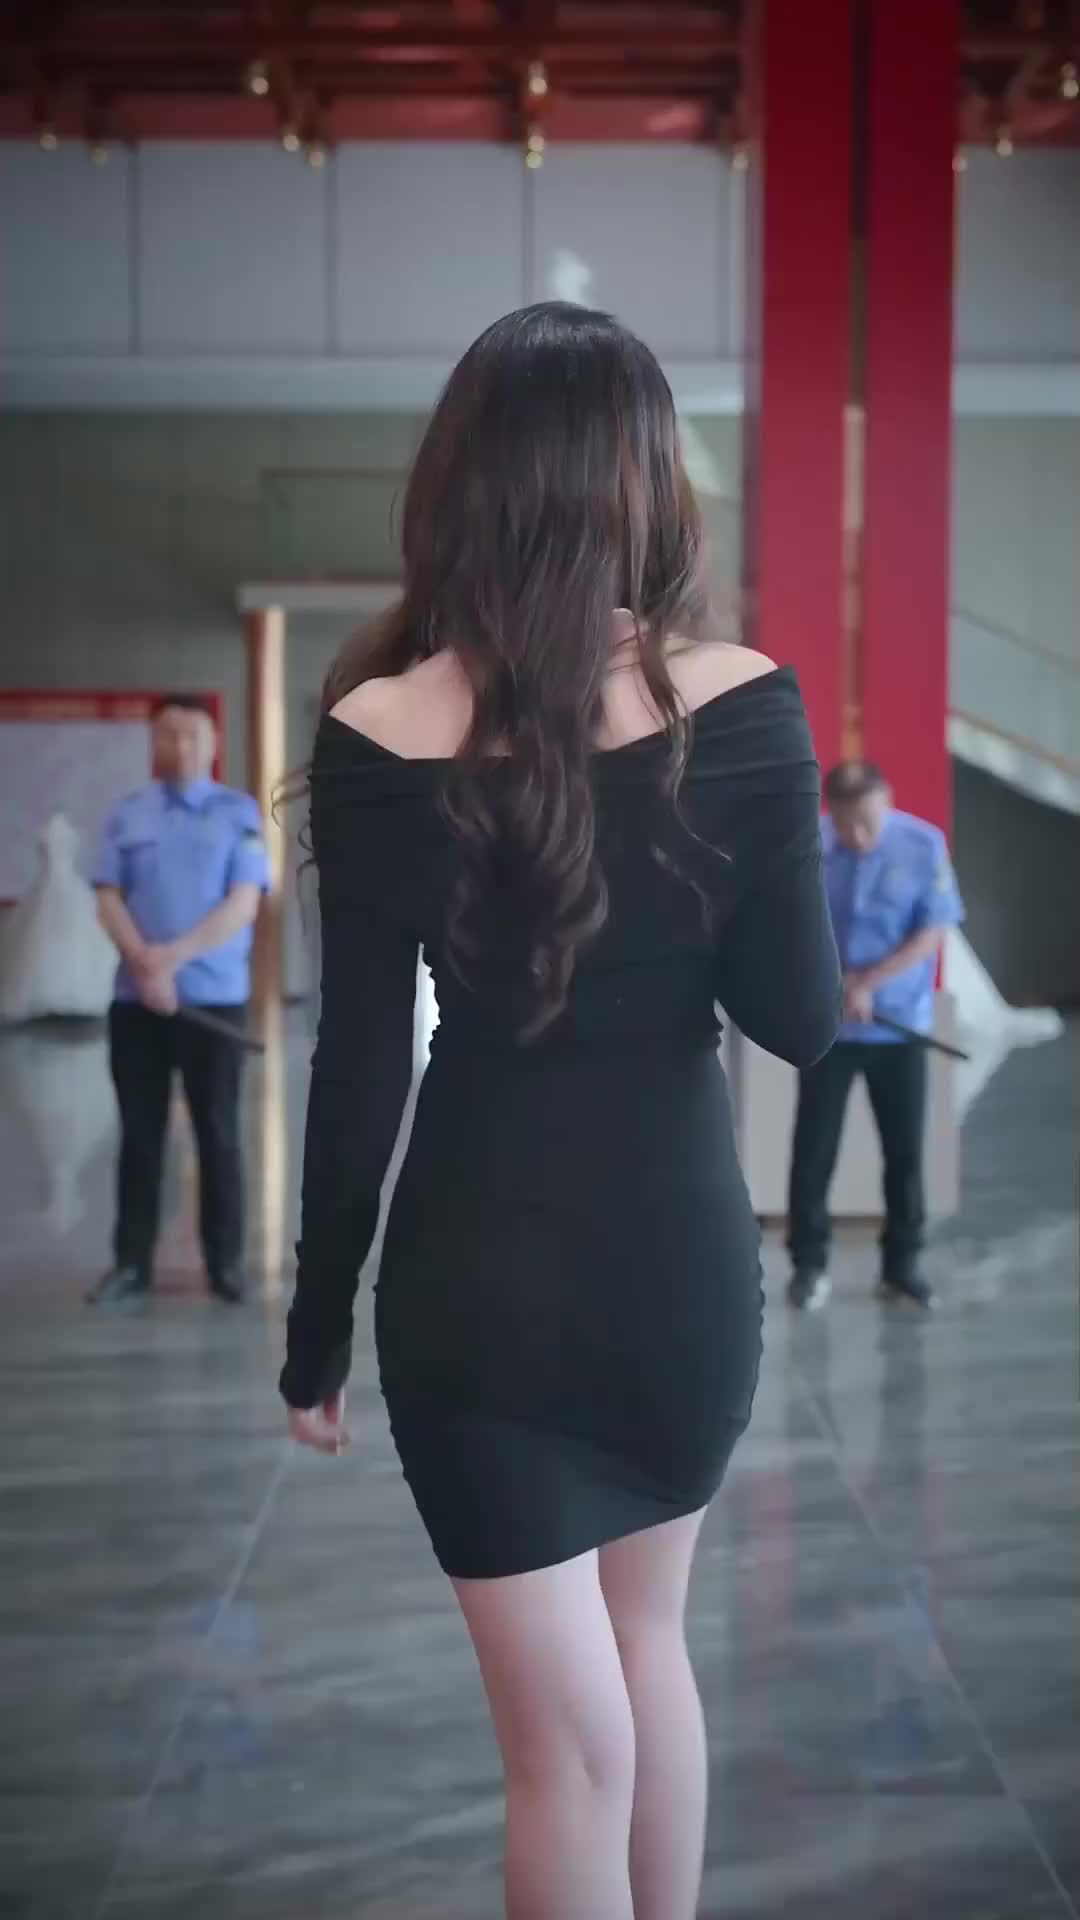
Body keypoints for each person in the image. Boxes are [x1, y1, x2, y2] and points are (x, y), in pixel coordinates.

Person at [280, 302, 841, 1920]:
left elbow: (359, 1068)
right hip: (678, 1282)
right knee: (651, 1648)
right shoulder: (744, 703)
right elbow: (799, 1022)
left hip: (482, 1296)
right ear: (648, 486)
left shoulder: (375, 726)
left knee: (563, 1761)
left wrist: (315, 1334)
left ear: (460, 483)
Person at [87, 696, 269, 1307]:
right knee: (140, 1133)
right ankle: (130, 1266)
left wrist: (170, 958)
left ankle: (226, 1265)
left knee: (219, 1133)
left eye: (192, 734)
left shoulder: (238, 813)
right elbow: (107, 896)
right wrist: (142, 961)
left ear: (212, 742)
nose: (181, 745)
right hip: (135, 1000)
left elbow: (243, 903)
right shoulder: (128, 813)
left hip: (212, 1003)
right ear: (154, 742)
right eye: (168, 734)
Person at [786, 759, 965, 1313]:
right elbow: (795, 925)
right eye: (845, 824)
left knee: (904, 1150)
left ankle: (901, 1268)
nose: (857, 836)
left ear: (885, 800)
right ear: (830, 812)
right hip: (829, 1028)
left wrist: (869, 982)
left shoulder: (923, 845)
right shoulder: (810, 845)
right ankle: (809, 1265)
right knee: (813, 1149)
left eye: (866, 821)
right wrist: (832, 982)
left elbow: (933, 929)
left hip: (898, 1023)